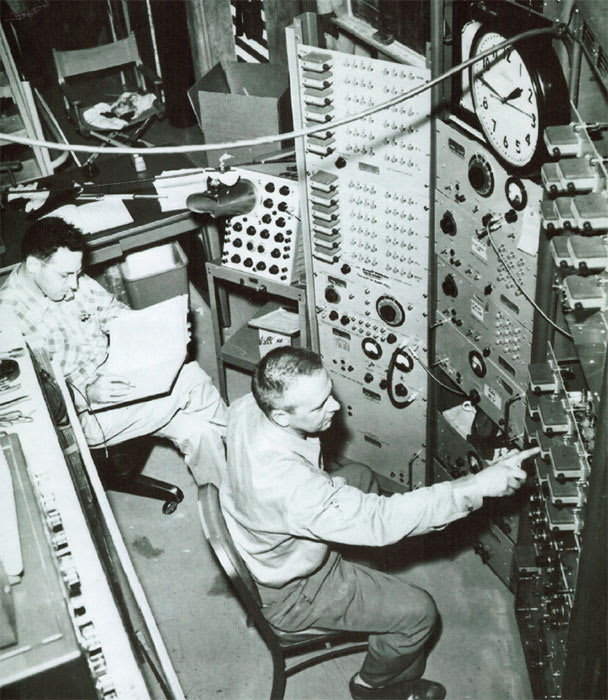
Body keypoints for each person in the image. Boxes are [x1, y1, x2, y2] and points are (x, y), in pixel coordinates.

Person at [220, 346, 539, 700]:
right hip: (295, 592)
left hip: (267, 543)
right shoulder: (295, 490)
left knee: (360, 477)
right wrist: (478, 485)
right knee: (419, 613)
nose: (335, 408)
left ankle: (370, 588)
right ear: (281, 416)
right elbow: (381, 520)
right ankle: (373, 685)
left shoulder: (247, 406)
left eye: (329, 394)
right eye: (319, 406)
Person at [0, 217, 227, 485]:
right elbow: (38, 403)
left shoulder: (71, 279)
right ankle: (245, 449)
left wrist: (163, 330)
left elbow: (115, 314)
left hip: (117, 375)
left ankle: (226, 496)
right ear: (34, 265)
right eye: (65, 276)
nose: (74, 285)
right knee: (192, 378)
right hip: (86, 415)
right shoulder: (8, 322)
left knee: (199, 432)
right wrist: (86, 393)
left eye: (77, 273)